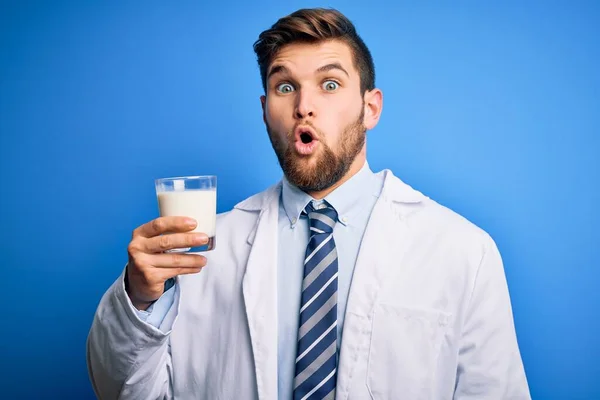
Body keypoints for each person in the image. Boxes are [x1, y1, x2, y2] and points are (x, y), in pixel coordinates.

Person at [87, 7, 530, 400]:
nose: (304, 106)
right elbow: (126, 392)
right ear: (265, 110)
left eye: (330, 84)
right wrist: (138, 299)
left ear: (370, 108)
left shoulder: (463, 250)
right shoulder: (199, 250)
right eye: (285, 88)